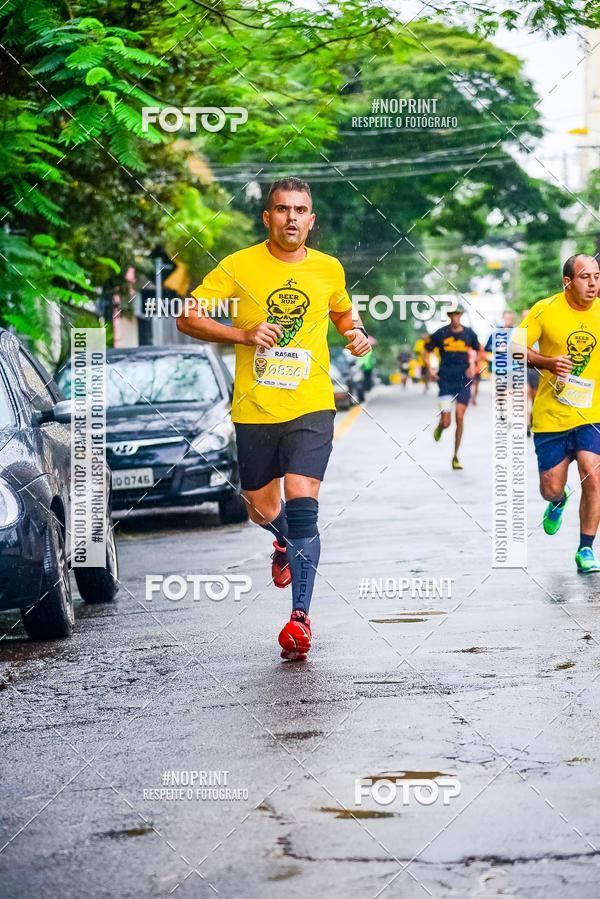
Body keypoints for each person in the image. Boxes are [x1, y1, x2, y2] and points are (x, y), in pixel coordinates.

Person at [176, 177, 370, 657]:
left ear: (311, 219)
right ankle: (281, 541)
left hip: (311, 404)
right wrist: (243, 335)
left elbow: (343, 312)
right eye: (281, 209)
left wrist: (356, 332)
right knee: (261, 508)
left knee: (303, 501)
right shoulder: (238, 265)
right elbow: (186, 317)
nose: (291, 218)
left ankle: (300, 619)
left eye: (300, 210)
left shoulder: (328, 268)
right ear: (268, 217)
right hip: (255, 409)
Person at [520, 254, 600, 573]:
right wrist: (547, 362)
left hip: (592, 414)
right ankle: (558, 500)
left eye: (597, 276)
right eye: (585, 277)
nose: (593, 283)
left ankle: (586, 548)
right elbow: (511, 348)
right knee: (550, 488)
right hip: (551, 416)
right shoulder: (545, 309)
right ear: (568, 282)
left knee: (593, 474)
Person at [423, 305, 480, 470]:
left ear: (461, 315)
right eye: (452, 315)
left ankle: (455, 456)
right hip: (445, 381)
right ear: (449, 316)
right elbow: (425, 351)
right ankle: (441, 426)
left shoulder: (469, 333)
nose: (455, 317)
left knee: (460, 416)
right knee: (447, 422)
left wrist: (472, 364)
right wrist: (431, 368)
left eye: (457, 314)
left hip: (463, 380)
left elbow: (478, 351)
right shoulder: (441, 333)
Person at [520, 307, 540, 437]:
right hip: (523, 370)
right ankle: (526, 424)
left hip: (538, 371)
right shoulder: (519, 333)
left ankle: (532, 421)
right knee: (524, 398)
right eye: (525, 316)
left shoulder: (539, 330)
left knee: (535, 400)